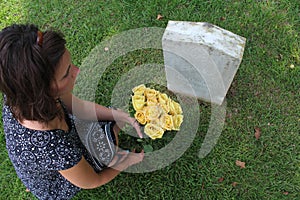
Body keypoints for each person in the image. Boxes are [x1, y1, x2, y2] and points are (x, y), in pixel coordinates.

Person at [0, 24, 144, 200]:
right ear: (42, 91)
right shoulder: (54, 148)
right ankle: (109, 136)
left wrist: (118, 115)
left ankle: (110, 131)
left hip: (63, 137)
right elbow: (93, 181)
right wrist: (127, 161)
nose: (78, 72)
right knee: (107, 146)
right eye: (66, 74)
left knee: (108, 122)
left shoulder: (26, 94)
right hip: (59, 181)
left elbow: (78, 107)